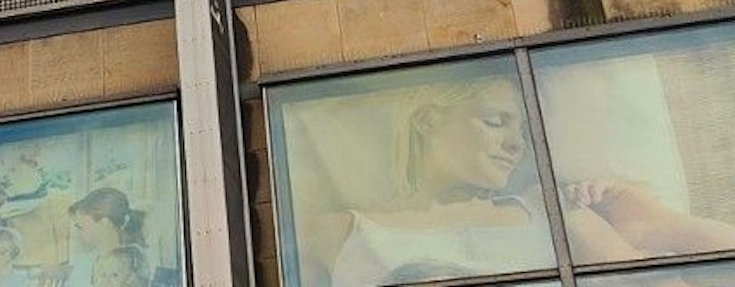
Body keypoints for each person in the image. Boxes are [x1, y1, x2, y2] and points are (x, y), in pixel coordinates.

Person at [313, 76, 735, 287]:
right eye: (496, 122)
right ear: (427, 119)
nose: (515, 146)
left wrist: (661, 225)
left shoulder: (551, 210)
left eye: (524, 135)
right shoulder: (340, 231)